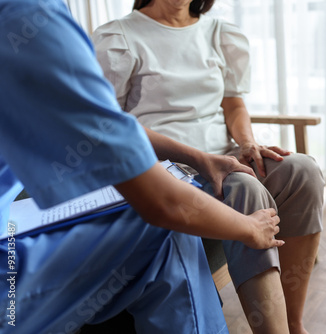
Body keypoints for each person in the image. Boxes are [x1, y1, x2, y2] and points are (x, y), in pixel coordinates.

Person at [0, 0, 285, 333]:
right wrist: (250, 228)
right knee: (166, 231)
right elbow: (161, 202)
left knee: (294, 171)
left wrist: (203, 156)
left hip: (14, 220)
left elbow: (104, 126)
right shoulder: (31, 16)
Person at [92, 0, 325, 333]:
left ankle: (293, 323)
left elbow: (233, 104)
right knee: (241, 186)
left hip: (224, 152)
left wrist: (247, 144)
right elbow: (111, 124)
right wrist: (199, 158)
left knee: (302, 171)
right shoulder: (120, 37)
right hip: (167, 167)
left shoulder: (218, 32)